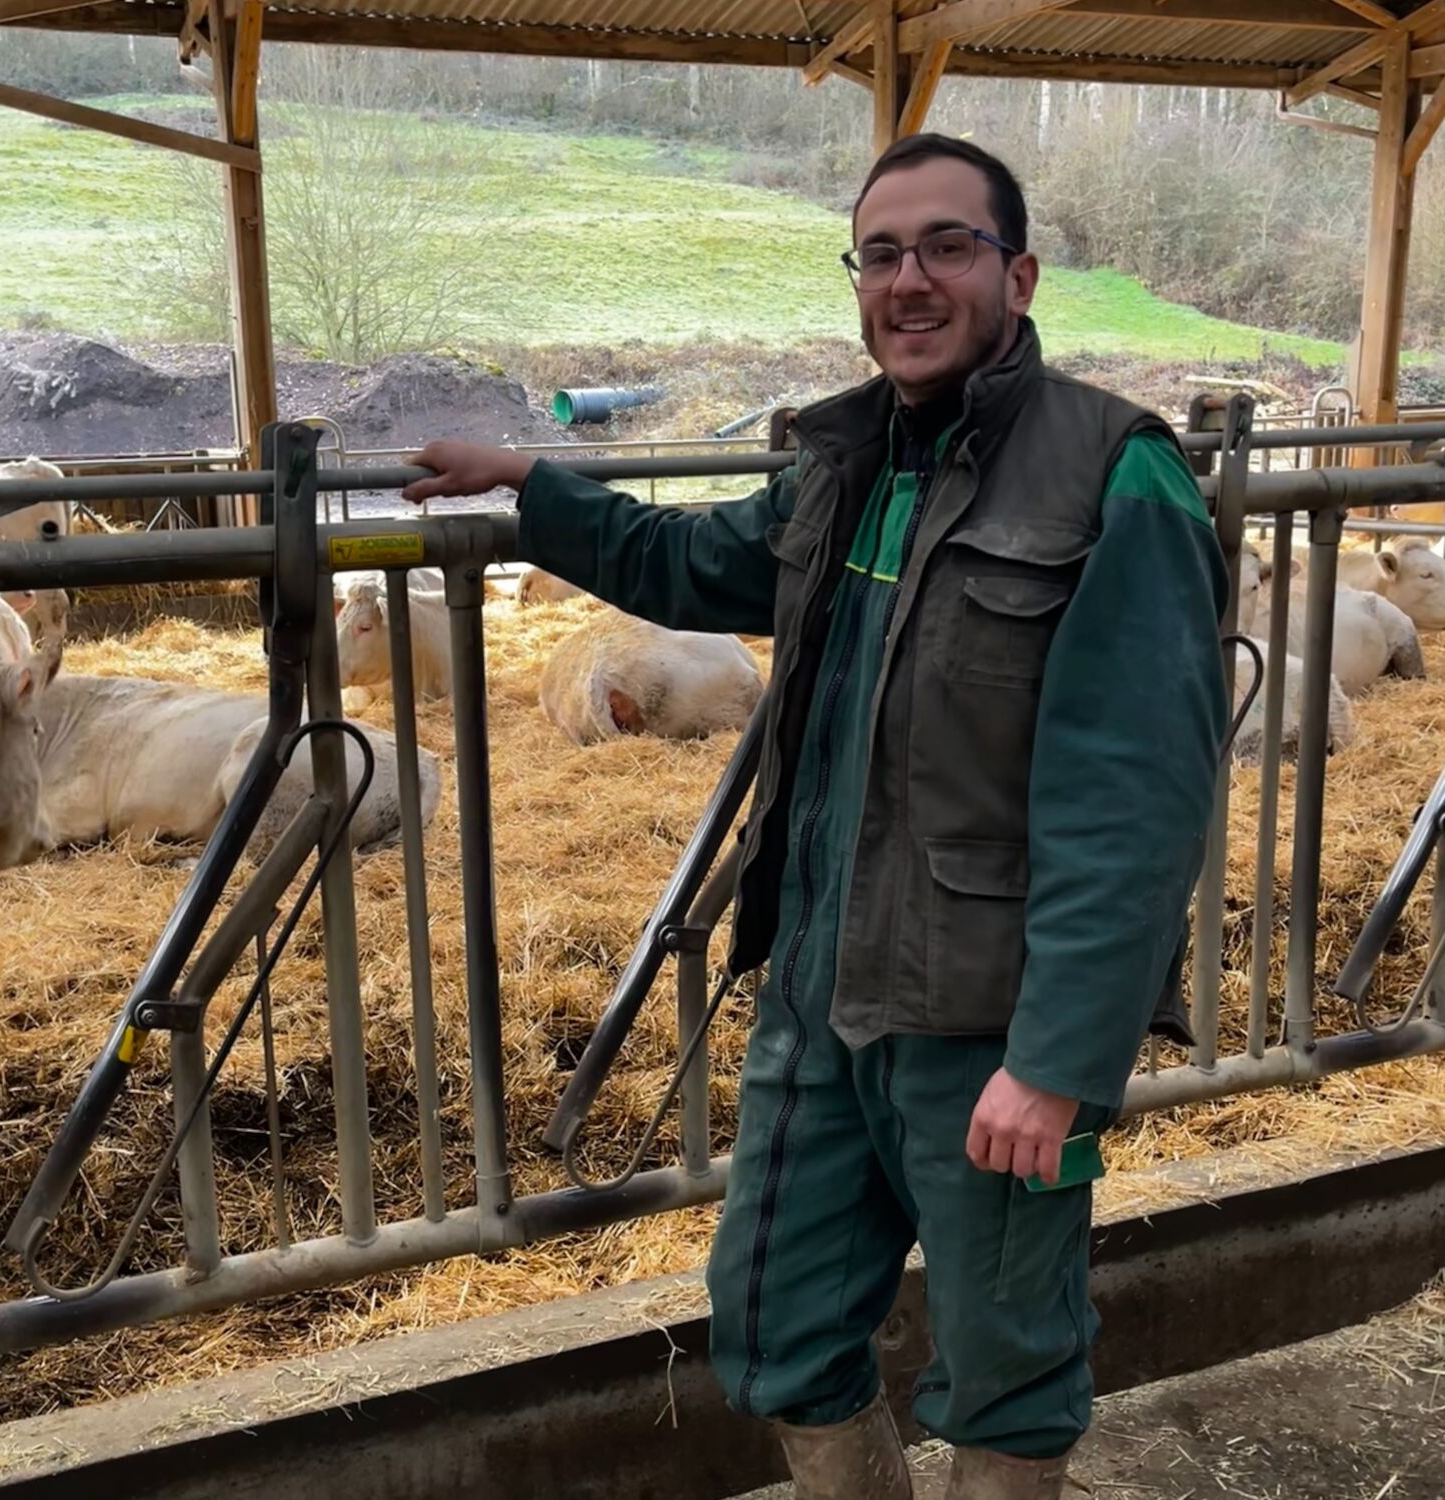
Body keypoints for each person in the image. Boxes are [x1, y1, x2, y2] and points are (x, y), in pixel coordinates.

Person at [403, 134, 1228, 1500]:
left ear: (1017, 273)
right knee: (775, 1322)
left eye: (948, 246)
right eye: (882, 252)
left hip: (989, 1024)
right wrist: (532, 487)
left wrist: (1064, 1056)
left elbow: (1139, 797)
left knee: (1009, 1367)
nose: (910, 280)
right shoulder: (842, 466)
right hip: (820, 995)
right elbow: (686, 556)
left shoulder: (1111, 473)